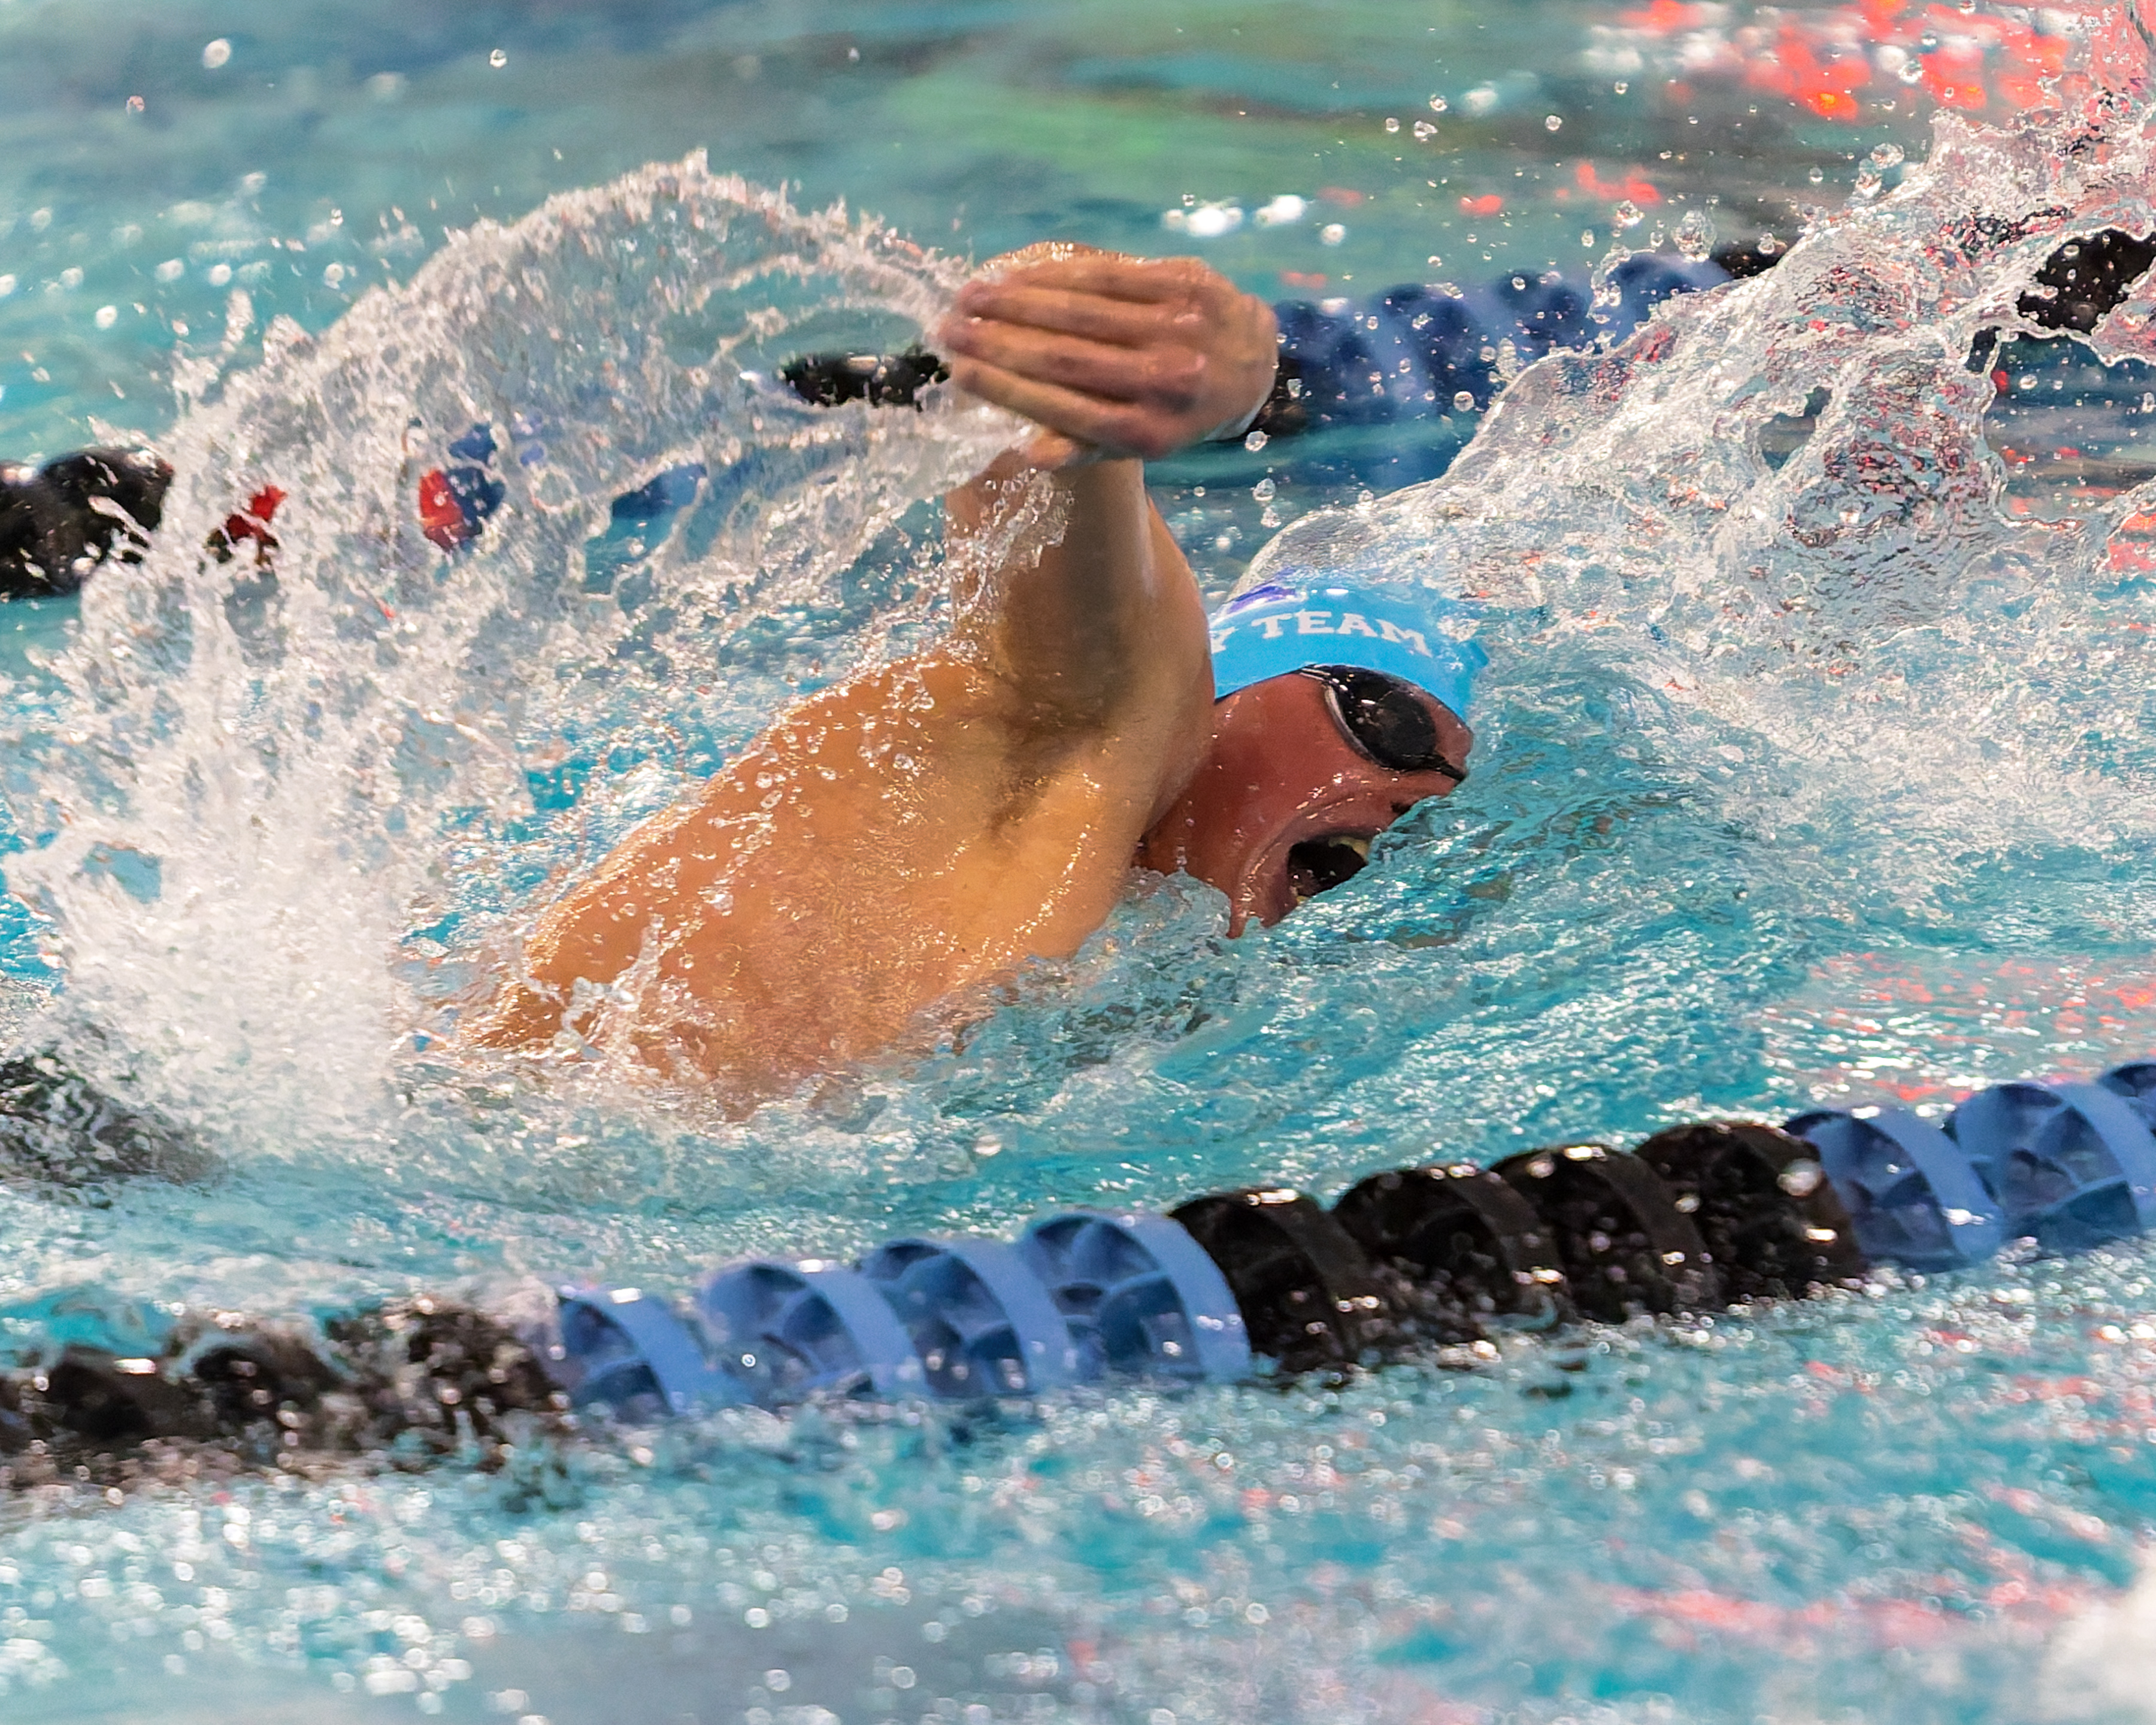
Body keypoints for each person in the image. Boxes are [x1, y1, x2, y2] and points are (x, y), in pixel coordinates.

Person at [464, 247, 1480, 1106]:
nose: (1418, 790)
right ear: (1223, 695)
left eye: (1449, 791)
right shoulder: (1084, 736)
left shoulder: (1111, 946)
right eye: (1381, 715)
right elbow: (1030, 440)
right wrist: (1176, 368)